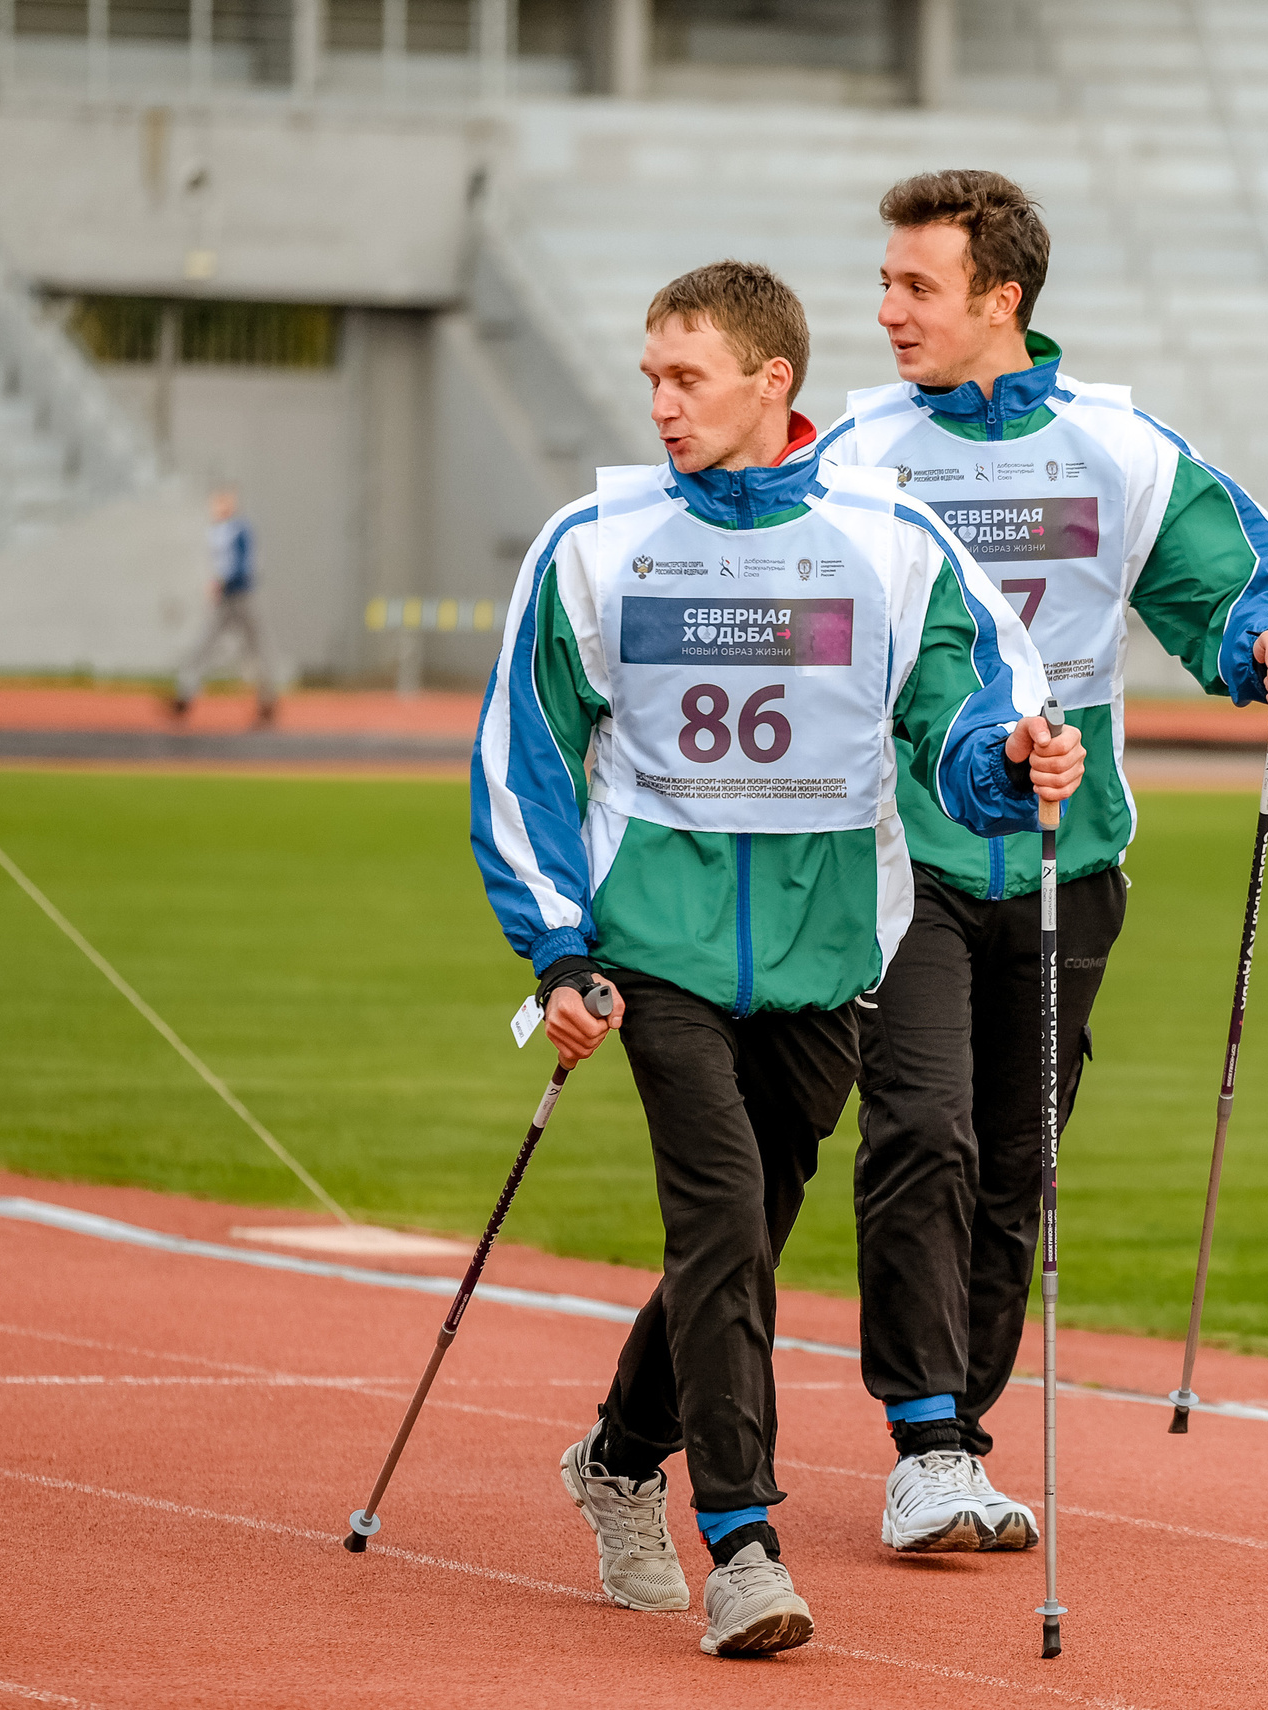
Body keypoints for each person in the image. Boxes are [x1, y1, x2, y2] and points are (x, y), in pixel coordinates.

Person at [470, 259, 1083, 1656]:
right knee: (723, 1221)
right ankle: (743, 1542)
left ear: (771, 382)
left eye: (686, 378)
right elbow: (523, 760)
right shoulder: (592, 542)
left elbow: (971, 710)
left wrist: (1012, 759)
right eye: (651, 380)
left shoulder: (892, 540)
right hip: (657, 952)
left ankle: (620, 1456)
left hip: (828, 958)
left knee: (745, 1233)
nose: (662, 405)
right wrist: (560, 951)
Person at [813, 169, 1268, 1553]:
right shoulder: (853, 450)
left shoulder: (1117, 446)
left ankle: (958, 1445)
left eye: (917, 285)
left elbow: (1234, 580)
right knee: (921, 1129)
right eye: (886, 282)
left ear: (1002, 298)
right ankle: (923, 1440)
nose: (888, 310)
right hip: (901, 859)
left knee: (1014, 1162)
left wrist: (1267, 648)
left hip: (1067, 857)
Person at [171, 485, 279, 723]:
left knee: (255, 648)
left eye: (222, 502)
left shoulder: (240, 530)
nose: (217, 507)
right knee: (203, 644)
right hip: (224, 599)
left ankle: (267, 700)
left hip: (242, 597)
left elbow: (244, 566)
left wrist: (220, 582)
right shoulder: (216, 531)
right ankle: (184, 695)